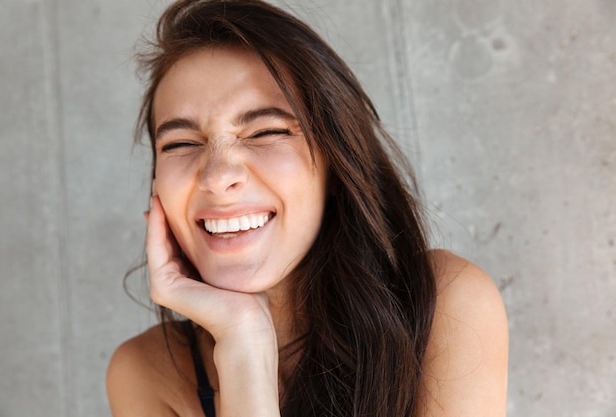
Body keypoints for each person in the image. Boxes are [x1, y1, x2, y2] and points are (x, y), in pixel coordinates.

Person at [106, 0, 509, 416]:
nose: (216, 176)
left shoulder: (444, 303)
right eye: (181, 144)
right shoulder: (146, 372)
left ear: (336, 164)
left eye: (266, 131)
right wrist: (245, 345)